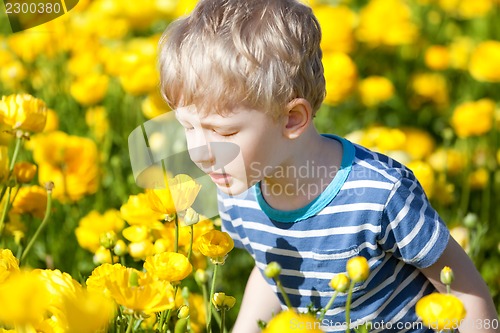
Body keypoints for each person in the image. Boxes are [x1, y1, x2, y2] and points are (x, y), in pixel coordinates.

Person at [157, 0, 499, 332]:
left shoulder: (380, 195)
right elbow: (270, 269)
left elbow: (468, 293)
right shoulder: (236, 191)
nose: (199, 152)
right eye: (188, 126)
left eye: (224, 131)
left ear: (292, 119)